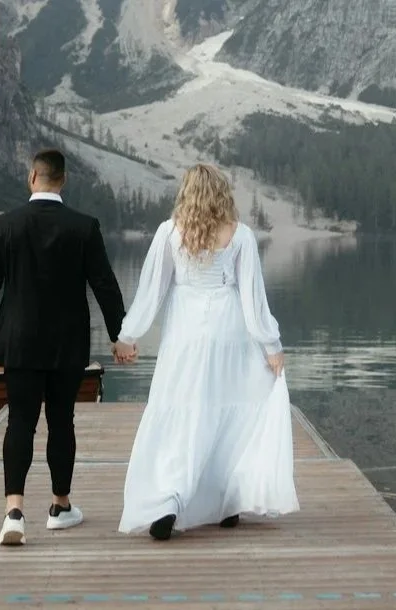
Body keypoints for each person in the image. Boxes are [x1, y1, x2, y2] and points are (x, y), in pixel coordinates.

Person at [110, 164, 299, 541]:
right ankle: (227, 503)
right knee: (230, 413)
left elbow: (152, 291)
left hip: (185, 336)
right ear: (221, 194)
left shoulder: (169, 232)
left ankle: (168, 501)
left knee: (183, 411)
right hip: (229, 334)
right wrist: (271, 345)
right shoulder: (239, 234)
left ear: (187, 193)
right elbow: (253, 300)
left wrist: (127, 336)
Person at [0, 149, 126, 546]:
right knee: (61, 420)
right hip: (67, 343)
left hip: (18, 341)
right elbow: (104, 284)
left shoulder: (4, 225)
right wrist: (118, 334)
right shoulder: (84, 226)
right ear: (63, 180)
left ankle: (14, 512)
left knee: (19, 420)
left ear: (32, 176)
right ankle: (59, 506)